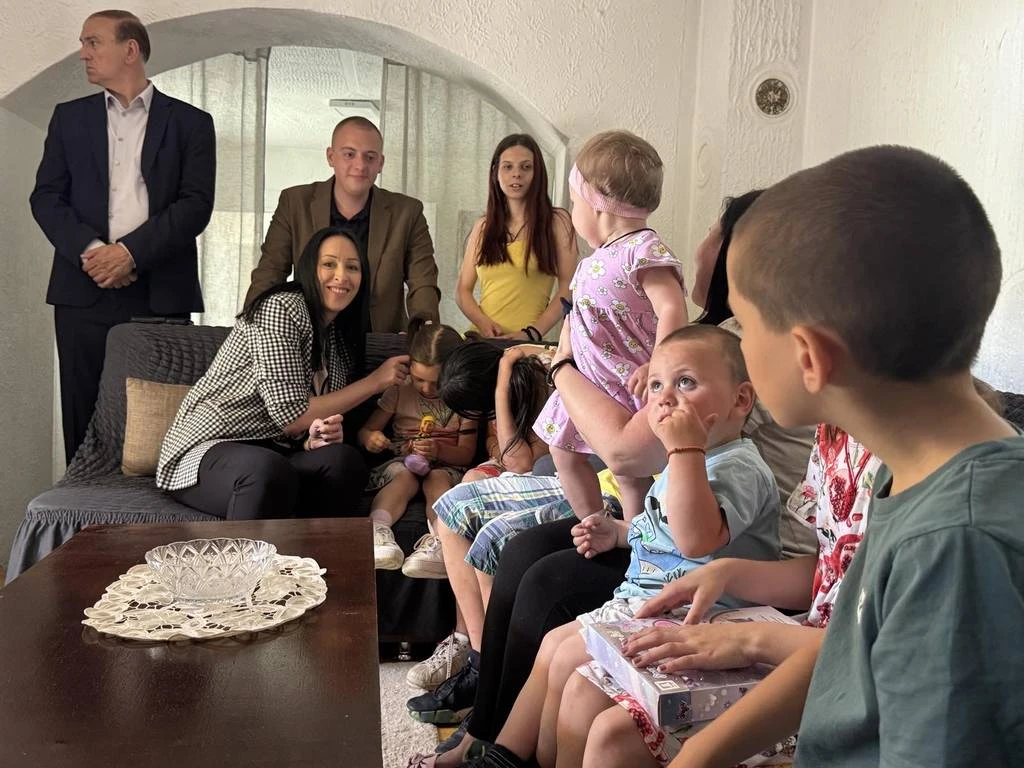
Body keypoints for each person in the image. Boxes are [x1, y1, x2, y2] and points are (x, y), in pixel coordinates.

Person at [670, 145, 1024, 767]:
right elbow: (848, 655)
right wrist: (699, 754)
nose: (741, 347)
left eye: (745, 328)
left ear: (809, 357)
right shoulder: (909, 471)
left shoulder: (954, 546)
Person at [462, 325, 780, 768]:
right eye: (656, 386)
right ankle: (507, 757)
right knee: (553, 646)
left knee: (571, 664)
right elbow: (662, 531)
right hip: (643, 600)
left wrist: (684, 452)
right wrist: (619, 532)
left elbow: (696, 539)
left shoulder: (738, 466)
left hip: (702, 615)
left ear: (740, 400)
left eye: (686, 382)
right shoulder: (685, 460)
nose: (665, 399)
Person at [30, 10, 216, 464]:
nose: (83, 53)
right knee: (83, 423)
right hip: (83, 288)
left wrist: (130, 254)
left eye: (93, 42)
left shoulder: (192, 122)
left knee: (157, 432)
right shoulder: (68, 119)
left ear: (130, 49)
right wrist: (96, 253)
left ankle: (151, 512)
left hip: (160, 293)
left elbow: (195, 205)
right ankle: (84, 509)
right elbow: (46, 198)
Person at [157, 227, 409, 519]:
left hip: (275, 453)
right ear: (309, 269)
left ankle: (318, 549)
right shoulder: (282, 308)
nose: (341, 276)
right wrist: (375, 381)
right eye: (329, 264)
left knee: (344, 462)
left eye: (352, 267)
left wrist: (316, 437)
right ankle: (245, 552)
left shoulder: (339, 338)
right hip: (210, 448)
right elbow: (291, 416)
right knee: (265, 470)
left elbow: (303, 424)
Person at [534, 130, 688, 529]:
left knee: (631, 477)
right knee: (561, 449)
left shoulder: (643, 249)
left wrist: (660, 367)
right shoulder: (594, 261)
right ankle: (594, 520)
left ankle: (635, 538)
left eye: (574, 201)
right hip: (590, 380)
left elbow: (672, 307)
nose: (572, 211)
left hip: (627, 378)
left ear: (598, 201)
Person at [402, 342, 566, 692]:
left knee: (474, 521)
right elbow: (505, 452)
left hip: (556, 477)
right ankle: (474, 652)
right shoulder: (515, 376)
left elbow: (520, 461)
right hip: (524, 468)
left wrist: (500, 388)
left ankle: (479, 656)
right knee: (468, 485)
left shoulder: (542, 379)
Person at [245, 116, 440, 332]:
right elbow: (270, 272)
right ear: (331, 157)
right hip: (310, 337)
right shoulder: (295, 203)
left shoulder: (408, 212)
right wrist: (250, 327)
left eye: (370, 157)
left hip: (378, 339)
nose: (360, 165)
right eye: (349, 154)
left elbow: (423, 283)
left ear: (380, 163)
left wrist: (424, 334)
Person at [357, 320, 476, 571]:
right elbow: (365, 431)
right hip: (402, 462)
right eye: (420, 379)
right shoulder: (399, 390)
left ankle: (440, 542)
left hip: (447, 467)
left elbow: (466, 454)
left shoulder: (464, 399)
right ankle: (378, 532)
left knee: (437, 478)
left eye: (437, 382)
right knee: (405, 476)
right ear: (409, 366)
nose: (427, 389)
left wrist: (439, 450)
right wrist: (371, 439)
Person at [456, 134, 577, 340]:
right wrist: (484, 324)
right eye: (508, 167)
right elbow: (462, 290)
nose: (517, 174)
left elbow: (569, 287)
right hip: (479, 340)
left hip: (527, 345)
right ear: (495, 173)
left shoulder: (557, 221)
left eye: (526, 167)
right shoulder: (483, 227)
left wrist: (531, 333)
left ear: (538, 173)